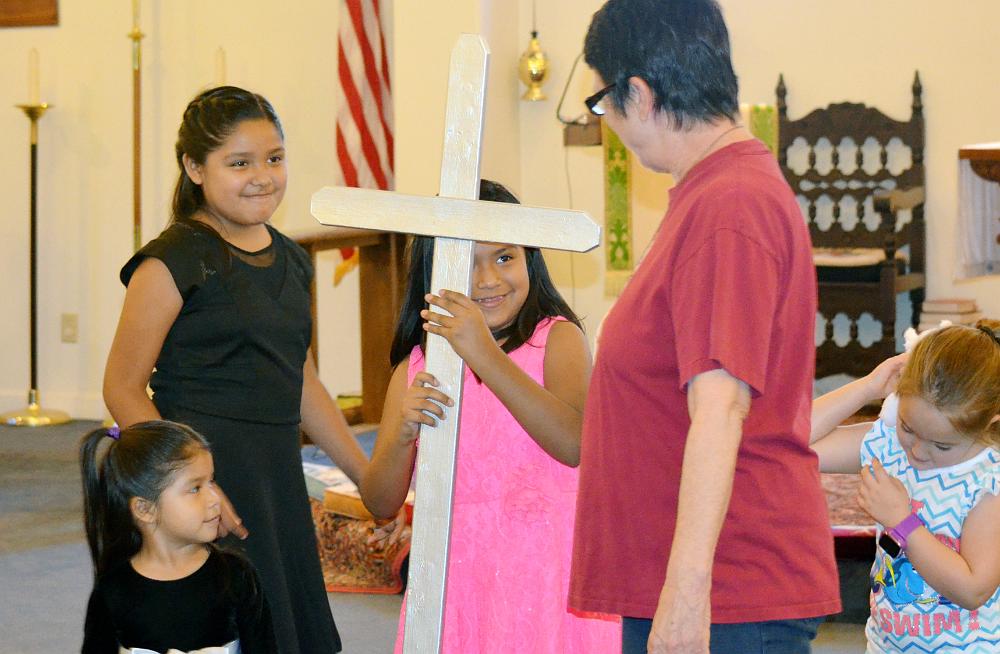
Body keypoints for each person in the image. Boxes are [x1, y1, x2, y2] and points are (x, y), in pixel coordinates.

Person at [569, 1, 841, 652]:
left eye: (602, 103)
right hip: (699, 582)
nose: (609, 124)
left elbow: (721, 407)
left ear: (638, 94)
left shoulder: (730, 204)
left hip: (727, 591)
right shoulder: (714, 192)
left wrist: (688, 593)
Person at [103, 86, 368, 654]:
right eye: (239, 163)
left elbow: (302, 383)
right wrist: (189, 487)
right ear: (195, 168)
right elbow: (121, 386)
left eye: (274, 158)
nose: (262, 177)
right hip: (203, 476)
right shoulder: (173, 259)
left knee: (284, 629)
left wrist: (366, 475)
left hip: (277, 479)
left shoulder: (293, 259)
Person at [360, 180, 621, 652]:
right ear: (432, 273)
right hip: (459, 588)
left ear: (530, 258)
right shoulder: (417, 367)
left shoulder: (557, 340)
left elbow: (573, 444)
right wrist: (402, 433)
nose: (487, 280)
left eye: (504, 257)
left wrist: (482, 352)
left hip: (551, 584)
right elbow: (380, 501)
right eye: (467, 263)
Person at [811, 321, 1000, 653]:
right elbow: (795, 440)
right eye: (908, 427)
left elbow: (973, 590)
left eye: (942, 445)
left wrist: (902, 522)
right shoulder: (891, 447)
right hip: (885, 645)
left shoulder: (988, 481)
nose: (918, 452)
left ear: (989, 425)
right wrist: (868, 386)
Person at [80, 420, 276, 653]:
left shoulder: (235, 575)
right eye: (195, 488)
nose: (215, 499)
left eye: (211, 481)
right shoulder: (114, 590)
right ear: (145, 509)